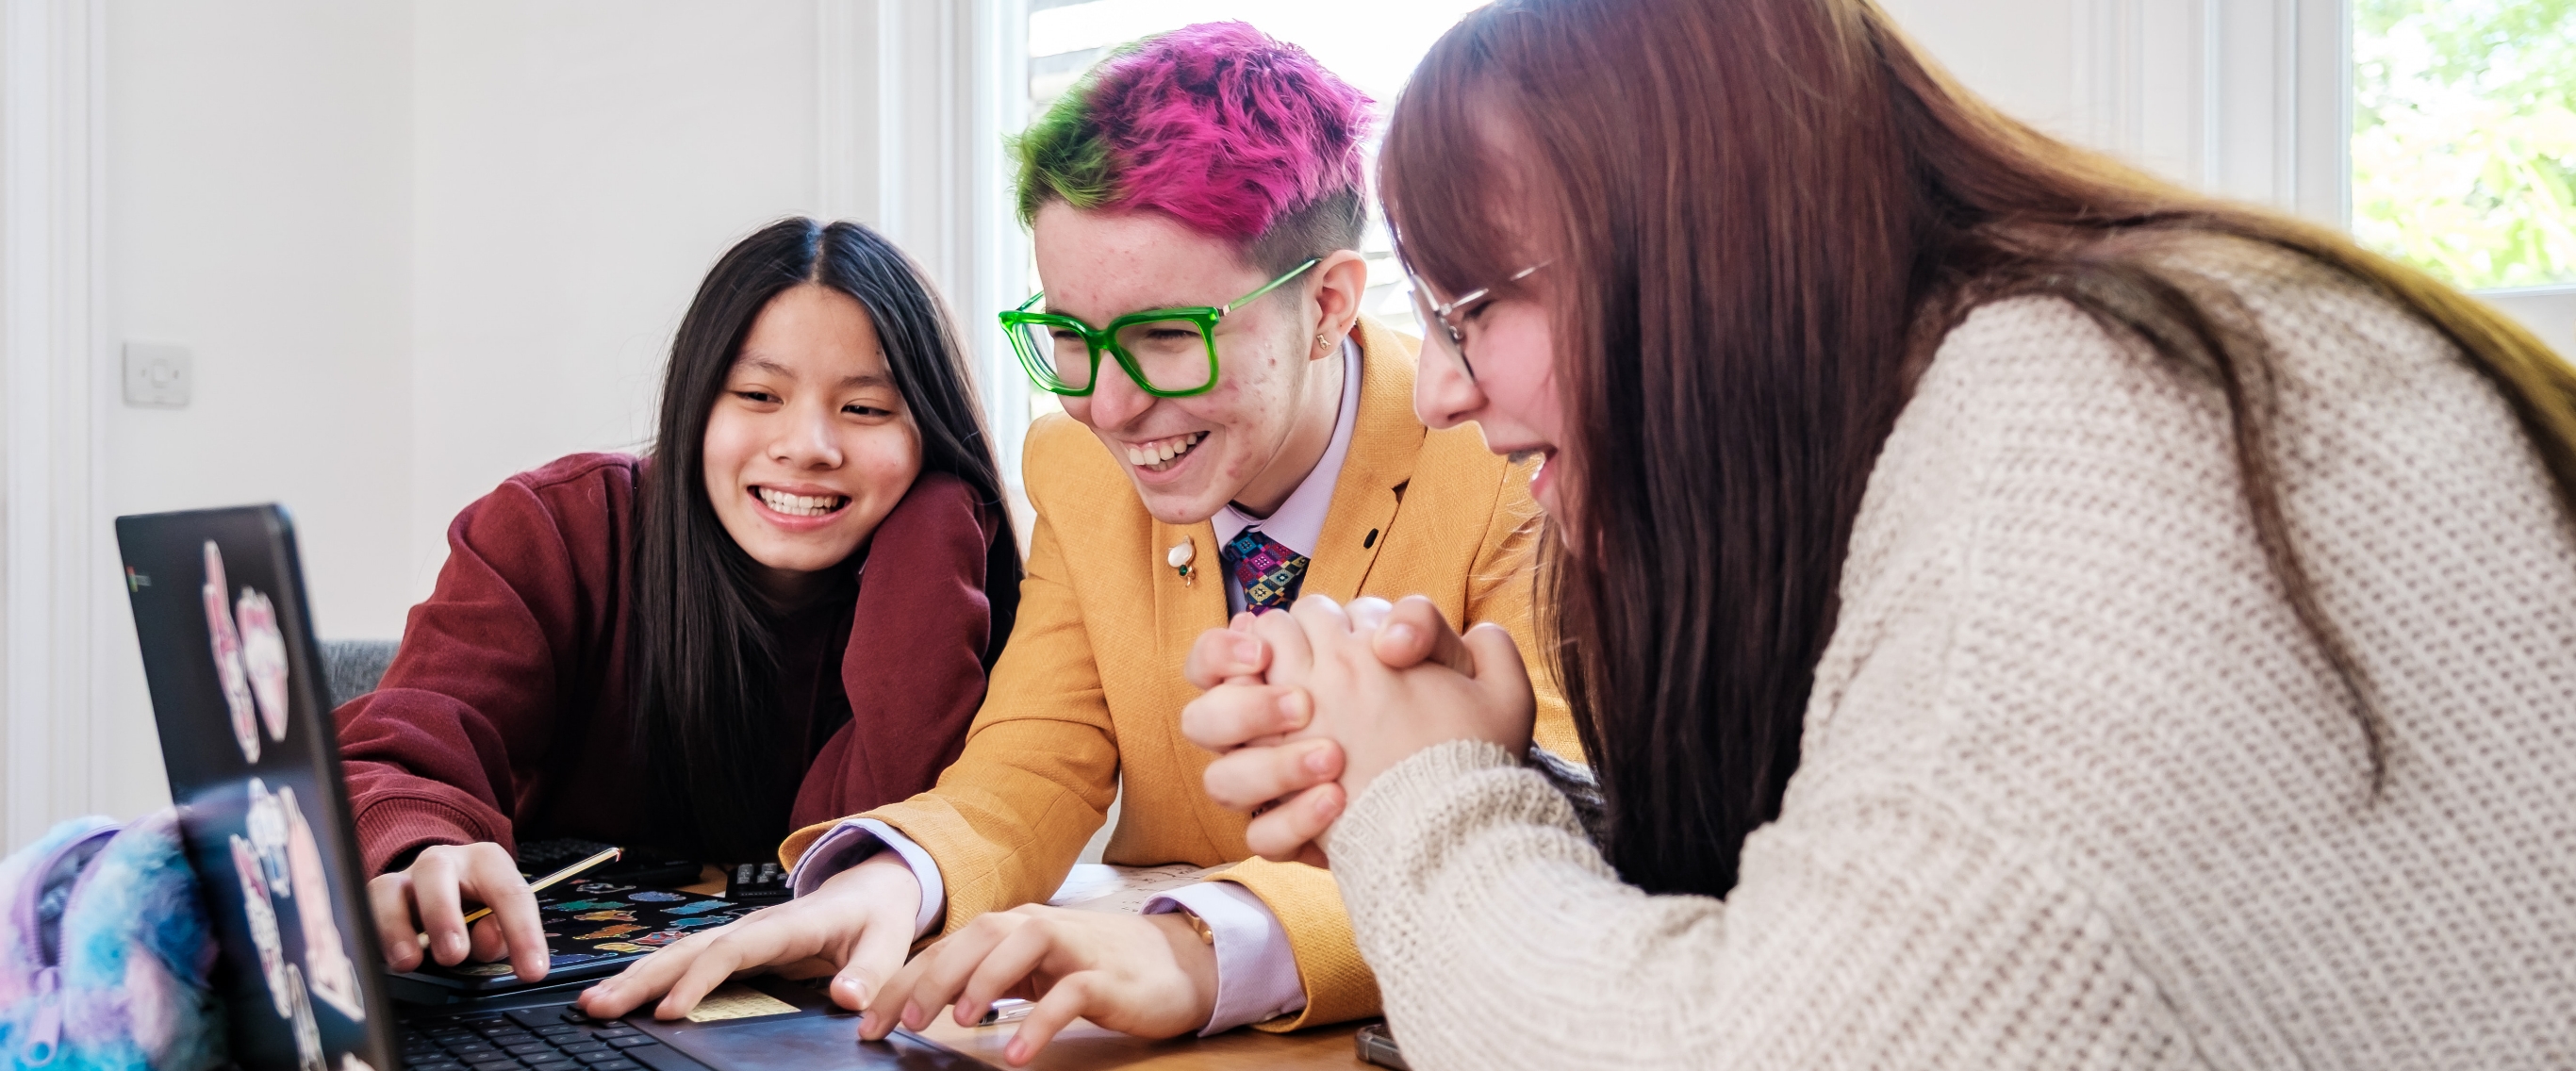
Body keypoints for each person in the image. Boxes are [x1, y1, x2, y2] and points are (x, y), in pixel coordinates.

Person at [1182, 0, 2576, 1067]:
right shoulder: (2061, 370)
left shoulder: (2089, 428)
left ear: (1694, 248)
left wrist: (1430, 809)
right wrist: (1506, 788)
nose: (1441, 387)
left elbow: (1784, 1047)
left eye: (1474, 308)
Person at [576, 22, 1575, 1063]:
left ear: (1324, 305)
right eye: (1068, 335)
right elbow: (1033, 759)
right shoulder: (1077, 463)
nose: (1106, 402)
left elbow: (1555, 840)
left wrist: (1199, 948)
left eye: (1163, 338)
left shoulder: (1511, 454)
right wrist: (888, 880)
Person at [338, 218, 1020, 984]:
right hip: (545, 986)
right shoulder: (557, 528)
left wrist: (937, 519)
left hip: (816, 1003)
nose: (808, 446)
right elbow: (408, 740)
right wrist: (421, 849)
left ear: (929, 431)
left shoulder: (949, 580)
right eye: (759, 394)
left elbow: (873, 840)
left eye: (866, 409)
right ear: (695, 402)